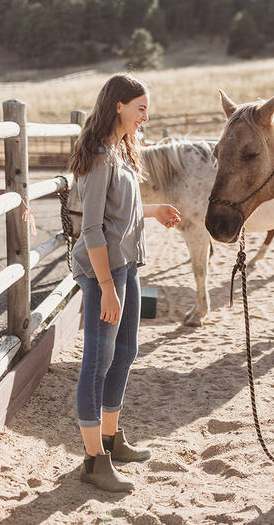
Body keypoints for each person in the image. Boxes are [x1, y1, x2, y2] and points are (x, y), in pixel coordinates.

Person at [68, 73, 181, 492]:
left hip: (126, 266)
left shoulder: (121, 151)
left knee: (126, 352)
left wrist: (153, 211)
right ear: (119, 106)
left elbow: (120, 213)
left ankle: (112, 440)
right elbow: (93, 230)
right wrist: (107, 287)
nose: (145, 117)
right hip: (105, 272)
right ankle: (94, 462)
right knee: (96, 364)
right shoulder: (99, 156)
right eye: (140, 109)